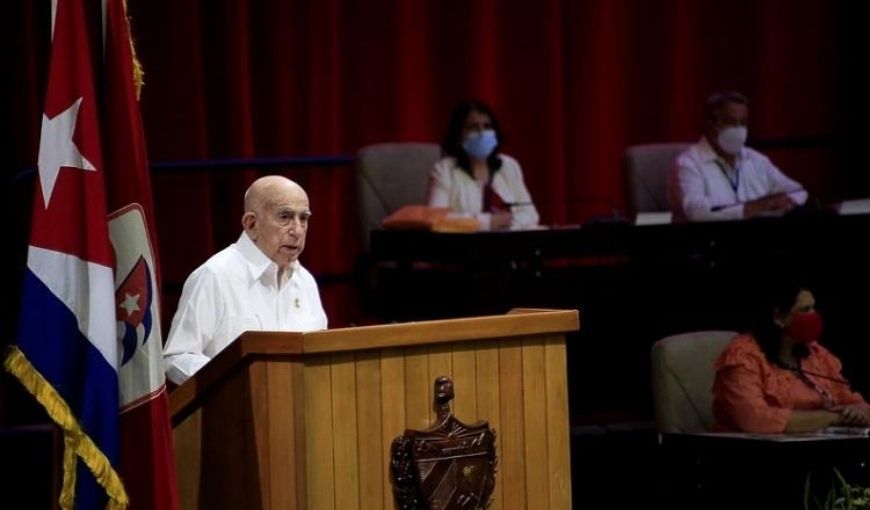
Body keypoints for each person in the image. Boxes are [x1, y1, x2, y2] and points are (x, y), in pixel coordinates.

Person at [163, 175, 327, 385]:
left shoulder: (306, 282)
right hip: (234, 411)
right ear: (251, 224)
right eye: (285, 217)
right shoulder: (215, 276)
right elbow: (177, 357)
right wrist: (237, 382)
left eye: (303, 218)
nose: (297, 230)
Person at [712, 279, 870, 433]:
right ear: (779, 317)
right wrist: (832, 417)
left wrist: (857, 412)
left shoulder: (815, 353)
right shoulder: (742, 355)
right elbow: (754, 418)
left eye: (813, 308)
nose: (814, 316)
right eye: (806, 310)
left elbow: (853, 402)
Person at [668, 90, 808, 222]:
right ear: (710, 125)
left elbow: (798, 191)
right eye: (730, 122)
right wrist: (748, 208)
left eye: (743, 123)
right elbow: (694, 209)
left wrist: (787, 201)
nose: (738, 129)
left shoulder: (755, 159)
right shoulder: (688, 163)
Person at [428, 100, 539, 230]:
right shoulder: (444, 169)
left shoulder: (509, 165)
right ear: (458, 135)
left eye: (487, 126)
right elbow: (436, 219)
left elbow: (531, 214)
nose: (482, 133)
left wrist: (507, 223)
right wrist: (487, 222)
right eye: (473, 127)